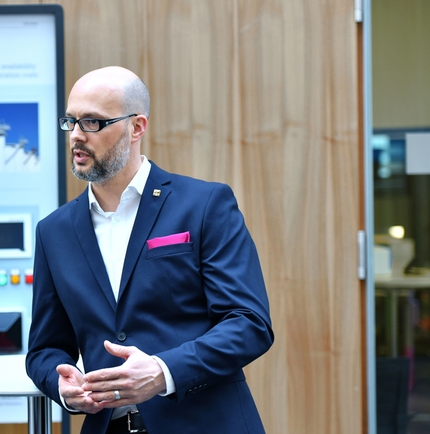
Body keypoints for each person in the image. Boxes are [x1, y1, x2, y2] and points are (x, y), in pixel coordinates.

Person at [25, 66, 274, 434]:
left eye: (92, 122)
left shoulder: (204, 205)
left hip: (205, 423)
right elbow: (44, 350)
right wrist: (62, 386)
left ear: (136, 127)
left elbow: (249, 323)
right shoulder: (53, 232)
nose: (77, 136)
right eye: (71, 121)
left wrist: (163, 371)